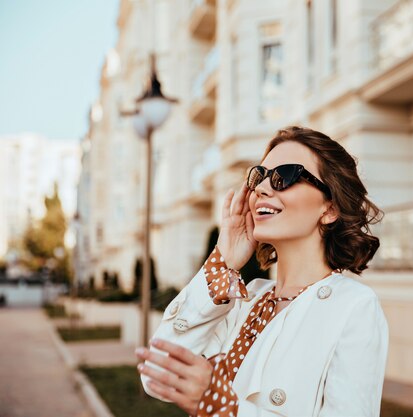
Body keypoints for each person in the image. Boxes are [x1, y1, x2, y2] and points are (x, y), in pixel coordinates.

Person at [135, 126, 389, 417]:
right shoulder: (245, 298)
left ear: (330, 208)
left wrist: (223, 407)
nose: (262, 189)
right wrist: (223, 262)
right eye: (259, 176)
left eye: (286, 176)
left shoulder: (353, 306)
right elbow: (157, 372)